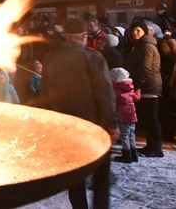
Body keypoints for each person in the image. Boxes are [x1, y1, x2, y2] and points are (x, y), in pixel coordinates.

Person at [35, 19, 118, 209]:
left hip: (65, 127)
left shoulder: (50, 57)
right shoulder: (93, 57)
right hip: (94, 126)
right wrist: (113, 123)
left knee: (74, 175)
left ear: (65, 36)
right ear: (84, 36)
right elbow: (104, 93)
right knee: (101, 172)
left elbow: (45, 93)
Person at [124, 19, 164, 157]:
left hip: (148, 86)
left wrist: (136, 85)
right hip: (146, 85)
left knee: (152, 116)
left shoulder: (146, 46)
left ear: (145, 32)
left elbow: (145, 68)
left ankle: (156, 147)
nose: (135, 33)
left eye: (138, 30)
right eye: (133, 30)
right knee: (148, 116)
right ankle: (151, 145)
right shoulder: (139, 45)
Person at [110, 67, 141, 163]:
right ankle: (134, 154)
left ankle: (126, 155)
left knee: (124, 136)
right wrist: (138, 91)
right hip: (132, 117)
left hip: (123, 118)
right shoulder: (129, 89)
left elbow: (113, 103)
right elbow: (136, 98)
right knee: (131, 135)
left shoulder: (117, 91)